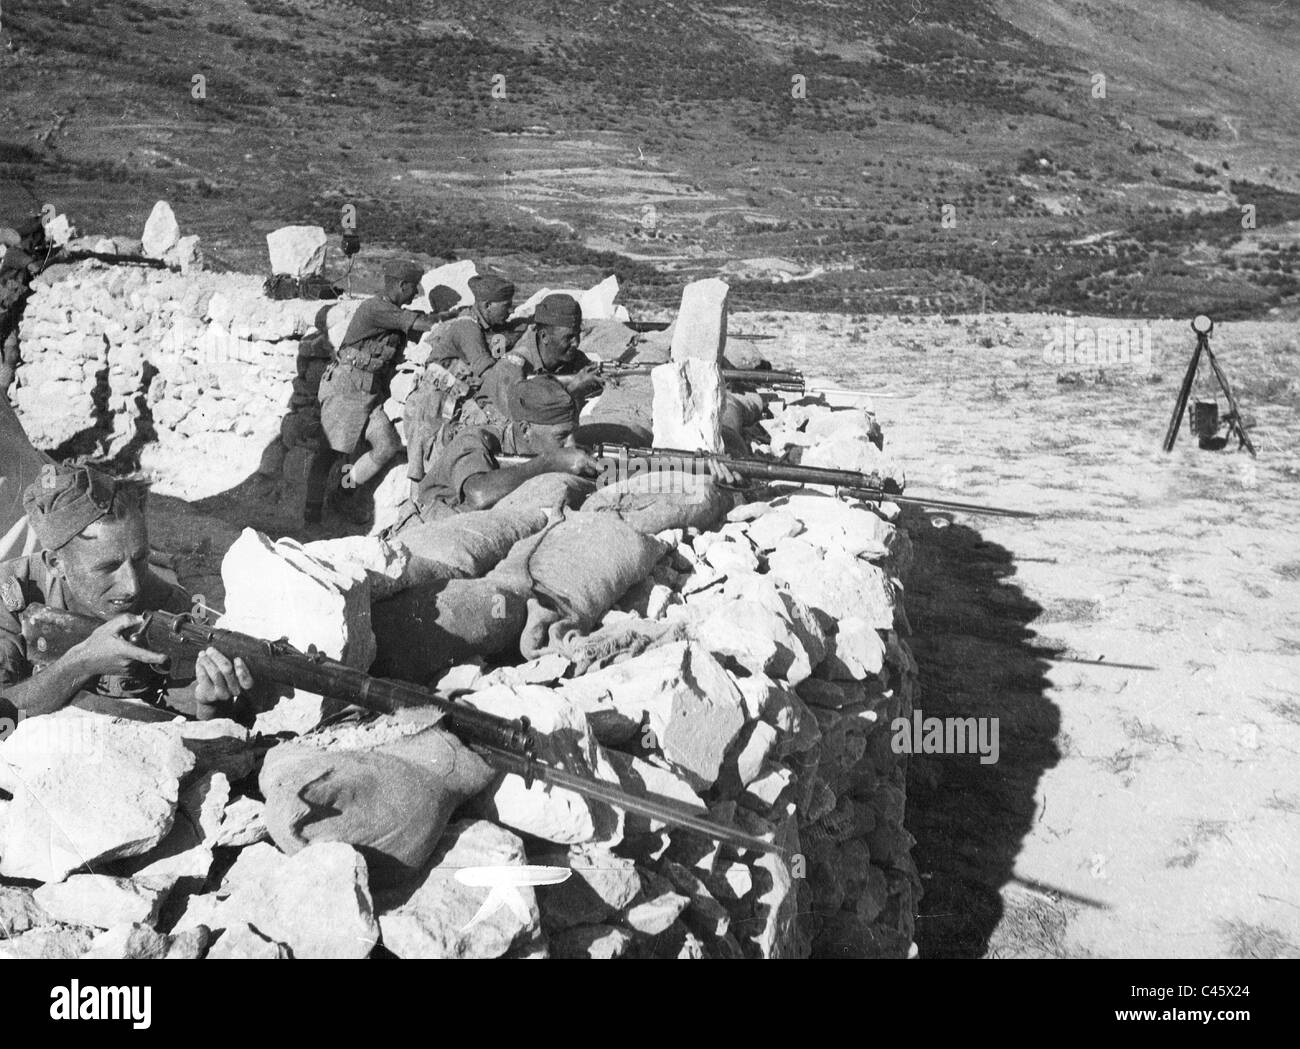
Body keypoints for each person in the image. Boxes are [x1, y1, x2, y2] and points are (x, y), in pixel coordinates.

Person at [0, 465, 254, 722]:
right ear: (56, 564)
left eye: (140, 559)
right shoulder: (12, 593)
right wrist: (80, 663)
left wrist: (211, 706)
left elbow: (199, 719)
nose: (132, 586)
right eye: (108, 568)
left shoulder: (170, 608)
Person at [308, 259, 437, 523]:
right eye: (414, 288)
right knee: (331, 451)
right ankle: (311, 511)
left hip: (370, 392)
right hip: (347, 386)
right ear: (402, 285)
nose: (416, 293)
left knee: (387, 445)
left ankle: (341, 496)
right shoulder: (377, 308)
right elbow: (423, 325)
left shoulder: (391, 310)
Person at [401, 375, 600, 524]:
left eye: (573, 433)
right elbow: (478, 494)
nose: (570, 444)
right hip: (427, 528)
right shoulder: (476, 439)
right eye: (561, 436)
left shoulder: (541, 447)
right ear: (525, 429)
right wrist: (548, 462)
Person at [481, 293, 603, 418]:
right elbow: (522, 425)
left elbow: (595, 382)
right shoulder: (512, 368)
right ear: (544, 336)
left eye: (577, 335)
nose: (576, 343)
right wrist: (572, 390)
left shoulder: (574, 358)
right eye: (569, 337)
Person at [0, 216, 49, 397]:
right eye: (37, 240)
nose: (38, 244)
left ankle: (2, 399)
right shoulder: (15, 254)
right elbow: (36, 268)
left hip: (8, 313)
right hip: (1, 311)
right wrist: (56, 258)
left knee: (11, 355)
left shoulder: (21, 254)